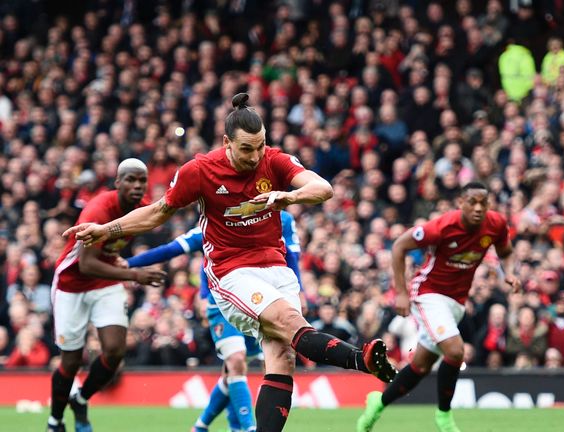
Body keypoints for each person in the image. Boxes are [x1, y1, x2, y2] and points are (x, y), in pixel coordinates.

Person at [64, 94, 396, 432]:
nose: (255, 156)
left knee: (283, 358)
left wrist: (289, 195)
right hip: (231, 272)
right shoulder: (200, 171)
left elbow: (322, 187)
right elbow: (157, 213)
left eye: (260, 146)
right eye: (246, 149)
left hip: (276, 268)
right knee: (284, 323)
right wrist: (106, 229)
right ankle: (361, 358)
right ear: (226, 143)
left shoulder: (274, 160)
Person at [357, 182, 520, 432]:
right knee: (455, 351)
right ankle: (444, 417)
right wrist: (401, 292)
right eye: (472, 202)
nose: (478, 208)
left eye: (483, 203)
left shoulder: (495, 224)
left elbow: (506, 251)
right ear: (460, 203)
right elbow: (400, 245)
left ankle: (377, 403)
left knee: (420, 366)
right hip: (428, 294)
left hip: (456, 302)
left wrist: (508, 273)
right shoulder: (443, 226)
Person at [126, 210, 303, 432]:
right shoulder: (218, 219)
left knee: (232, 372)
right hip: (220, 303)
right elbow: (173, 249)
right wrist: (127, 263)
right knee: (237, 361)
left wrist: (298, 292)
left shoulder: (279, 219)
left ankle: (201, 426)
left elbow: (292, 254)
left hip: (256, 303)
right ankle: (248, 428)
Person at [48, 159, 167, 432]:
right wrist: (136, 275)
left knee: (114, 351)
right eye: (130, 180)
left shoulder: (142, 206)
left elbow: (157, 218)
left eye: (141, 180)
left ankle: (81, 399)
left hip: (105, 281)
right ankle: (55, 420)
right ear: (117, 183)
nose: (137, 186)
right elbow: (86, 264)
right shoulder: (98, 209)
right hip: (71, 283)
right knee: (71, 360)